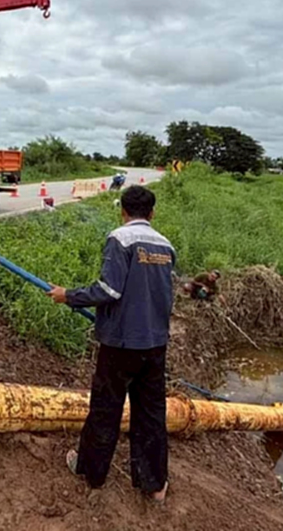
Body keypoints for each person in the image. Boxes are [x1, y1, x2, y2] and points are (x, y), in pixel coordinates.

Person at [46, 185, 175, 503]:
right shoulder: (166, 245)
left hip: (121, 344)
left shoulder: (120, 239)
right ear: (152, 213)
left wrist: (68, 295)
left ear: (123, 211)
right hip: (155, 344)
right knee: (151, 413)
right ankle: (154, 484)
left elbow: (109, 290)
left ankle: (91, 472)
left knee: (106, 408)